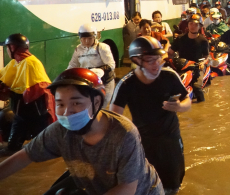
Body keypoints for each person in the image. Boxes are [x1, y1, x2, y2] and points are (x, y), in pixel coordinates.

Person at [0, 68, 164, 194]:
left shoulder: (124, 134)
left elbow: (128, 188)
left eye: (76, 103)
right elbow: (26, 156)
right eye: (60, 104)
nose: (66, 112)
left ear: (97, 101)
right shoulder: (60, 131)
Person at [112, 37, 190, 194]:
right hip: (143, 140)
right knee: (146, 183)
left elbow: (187, 99)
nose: (157, 65)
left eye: (159, 59)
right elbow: (114, 118)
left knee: (174, 181)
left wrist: (180, 107)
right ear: (137, 61)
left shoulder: (169, 76)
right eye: (150, 61)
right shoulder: (127, 84)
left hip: (171, 137)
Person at [0, 34, 55, 157]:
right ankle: (14, 146)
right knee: (20, 121)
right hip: (24, 101)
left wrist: (12, 92)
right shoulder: (17, 62)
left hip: (34, 102)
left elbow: (36, 87)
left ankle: (41, 148)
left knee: (35, 124)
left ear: (13, 48)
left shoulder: (31, 62)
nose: (7, 51)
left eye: (8, 48)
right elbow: (5, 76)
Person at [68, 24, 116, 108]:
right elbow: (73, 65)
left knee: (100, 107)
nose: (86, 41)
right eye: (84, 38)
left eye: (89, 38)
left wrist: (99, 71)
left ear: (94, 37)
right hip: (89, 82)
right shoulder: (78, 49)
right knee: (90, 107)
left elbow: (111, 65)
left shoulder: (102, 47)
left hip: (105, 82)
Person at [168, 14, 210, 103]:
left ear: (200, 26)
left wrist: (202, 63)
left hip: (197, 66)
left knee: (197, 87)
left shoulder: (203, 41)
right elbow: (170, 53)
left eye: (195, 24)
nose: (192, 26)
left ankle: (201, 101)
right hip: (181, 65)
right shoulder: (180, 38)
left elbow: (206, 56)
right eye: (190, 23)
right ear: (187, 25)